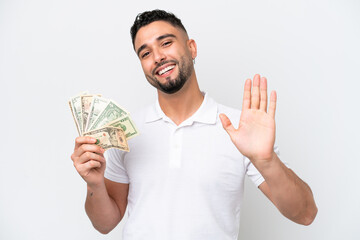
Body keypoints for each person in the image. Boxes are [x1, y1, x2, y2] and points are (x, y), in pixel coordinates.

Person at [71, 9, 317, 239]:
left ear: (192, 48)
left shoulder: (239, 129)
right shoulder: (125, 132)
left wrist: (266, 161)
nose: (157, 57)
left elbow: (305, 214)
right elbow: (105, 224)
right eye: (145, 53)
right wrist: (94, 184)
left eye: (166, 43)